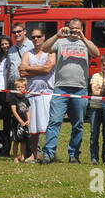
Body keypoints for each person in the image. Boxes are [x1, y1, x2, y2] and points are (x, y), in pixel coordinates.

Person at [40, 19, 98, 164]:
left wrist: (83, 37)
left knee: (78, 124)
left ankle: (74, 155)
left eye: (77, 28)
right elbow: (44, 48)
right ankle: (49, 154)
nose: (74, 31)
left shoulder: (85, 43)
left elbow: (96, 53)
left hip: (80, 89)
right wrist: (57, 35)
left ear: (82, 29)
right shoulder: (60, 42)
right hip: (60, 88)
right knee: (54, 121)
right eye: (72, 28)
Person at [21, 29, 55, 163]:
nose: (36, 39)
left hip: (46, 94)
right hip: (31, 94)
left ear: (44, 37)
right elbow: (21, 71)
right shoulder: (27, 54)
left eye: (38, 36)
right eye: (33, 37)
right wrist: (41, 70)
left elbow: (48, 69)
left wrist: (30, 69)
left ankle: (49, 154)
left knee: (47, 127)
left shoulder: (50, 53)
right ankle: (34, 154)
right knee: (33, 128)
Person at [87, 55, 105, 164]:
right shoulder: (95, 76)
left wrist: (101, 89)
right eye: (103, 64)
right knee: (94, 133)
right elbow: (94, 91)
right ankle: (94, 157)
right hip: (95, 108)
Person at [10, 78, 30, 162]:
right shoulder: (14, 98)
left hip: (24, 123)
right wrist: (20, 121)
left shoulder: (26, 99)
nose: (20, 89)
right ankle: (15, 157)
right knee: (16, 141)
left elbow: (28, 110)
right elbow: (14, 111)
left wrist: (28, 120)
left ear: (25, 88)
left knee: (23, 141)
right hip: (16, 123)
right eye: (18, 87)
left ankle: (22, 156)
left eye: (22, 87)